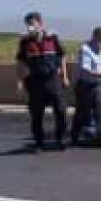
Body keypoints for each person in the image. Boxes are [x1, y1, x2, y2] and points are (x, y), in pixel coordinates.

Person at [16, 12, 69, 151]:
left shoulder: (52, 38)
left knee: (60, 110)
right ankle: (39, 142)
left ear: (40, 24)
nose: (30, 27)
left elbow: (62, 56)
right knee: (36, 113)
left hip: (53, 79)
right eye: (28, 25)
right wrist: (20, 80)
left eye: (32, 24)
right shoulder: (25, 42)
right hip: (35, 81)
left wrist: (64, 76)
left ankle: (61, 139)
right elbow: (20, 62)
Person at [72, 27, 101, 146]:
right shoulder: (85, 49)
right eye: (100, 40)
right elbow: (86, 70)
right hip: (85, 84)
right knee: (82, 111)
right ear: (94, 37)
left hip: (98, 84)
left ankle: (99, 135)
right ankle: (75, 136)